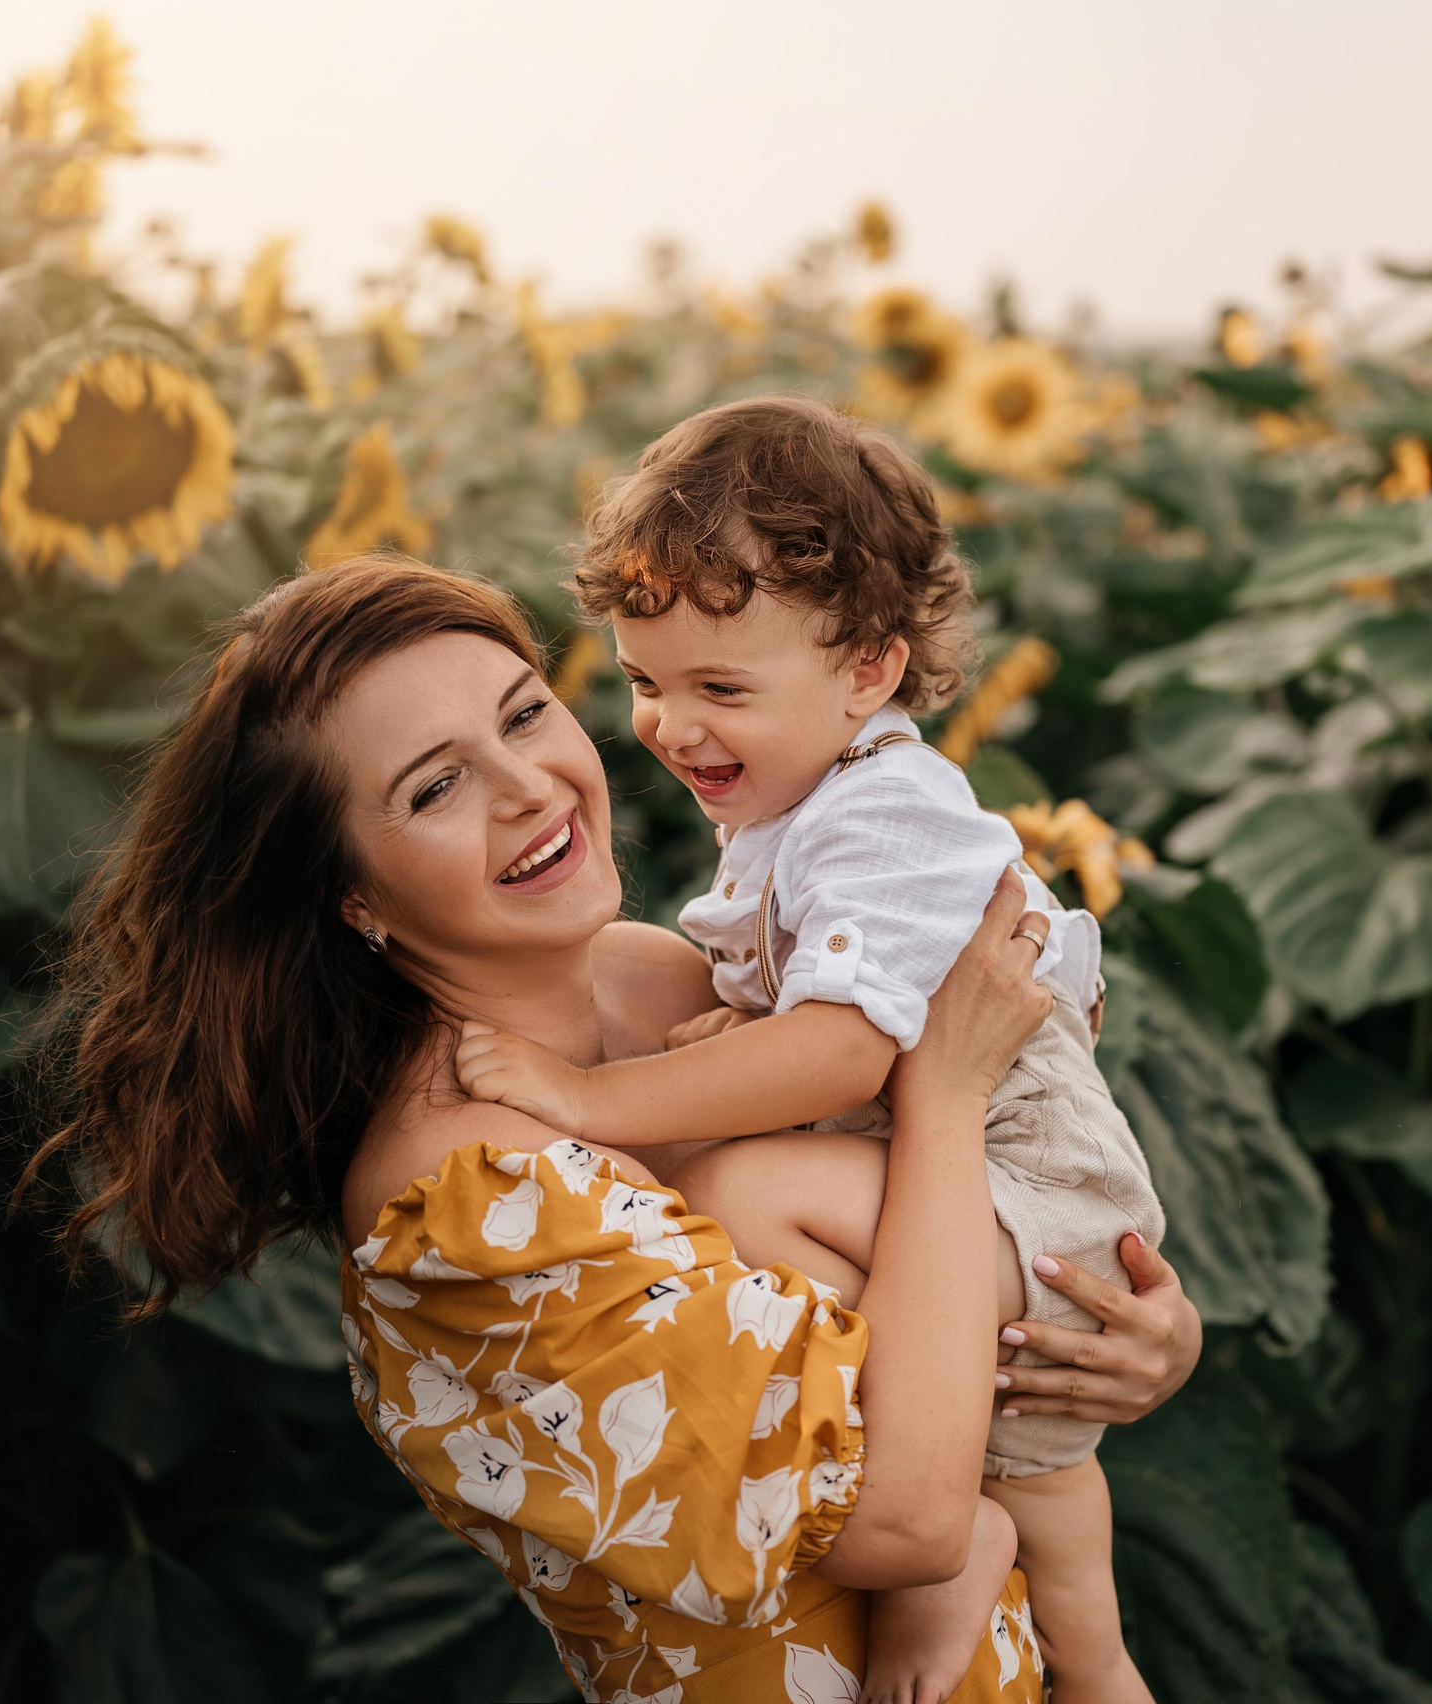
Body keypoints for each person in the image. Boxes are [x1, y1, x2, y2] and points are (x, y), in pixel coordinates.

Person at [25, 554, 1202, 1704]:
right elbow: (901, 1515)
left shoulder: (658, 980)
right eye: (435, 787)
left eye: (525, 715)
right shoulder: (459, 1204)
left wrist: (1115, 1336)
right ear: (355, 898)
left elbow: (930, 1250)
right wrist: (942, 1094)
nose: (530, 786)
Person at [451, 397, 1162, 1704]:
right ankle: (1101, 1666)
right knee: (1059, 1521)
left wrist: (587, 1093)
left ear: (867, 672)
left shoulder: (876, 812)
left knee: (744, 1190)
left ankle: (942, 1554)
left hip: (1025, 1184)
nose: (670, 727)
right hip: (1015, 1216)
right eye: (645, 682)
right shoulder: (813, 799)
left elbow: (841, 1059)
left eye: (722, 688)